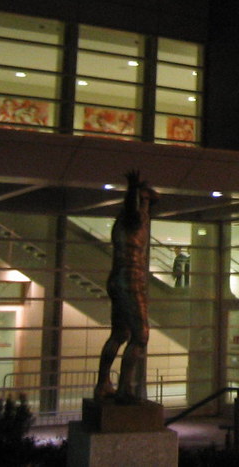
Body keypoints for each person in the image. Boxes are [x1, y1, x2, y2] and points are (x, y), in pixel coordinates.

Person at [94, 170, 159, 404]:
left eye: (148, 202)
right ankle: (124, 389)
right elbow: (133, 208)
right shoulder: (133, 218)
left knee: (120, 333)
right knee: (141, 335)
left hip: (119, 278)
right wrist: (133, 189)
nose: (147, 206)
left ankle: (103, 384)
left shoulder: (124, 222)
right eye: (145, 201)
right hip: (130, 279)